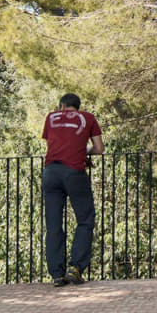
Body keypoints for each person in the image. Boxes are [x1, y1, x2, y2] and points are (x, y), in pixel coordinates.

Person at [42, 91, 103, 286]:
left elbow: (54, 143)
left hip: (50, 172)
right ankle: (75, 268)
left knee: (53, 225)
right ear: (78, 106)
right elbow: (99, 149)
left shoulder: (51, 118)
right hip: (74, 172)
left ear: (61, 106)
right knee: (85, 219)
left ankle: (57, 274)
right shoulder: (87, 118)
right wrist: (85, 152)